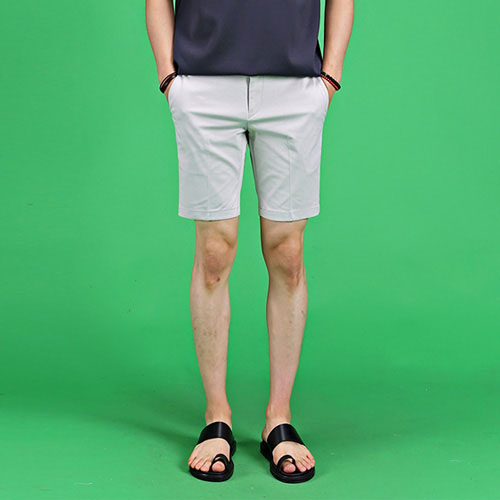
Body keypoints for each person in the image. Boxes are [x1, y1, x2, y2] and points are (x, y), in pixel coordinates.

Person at [145, 0, 354, 483]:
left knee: (288, 254)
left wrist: (330, 77)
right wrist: (168, 77)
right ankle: (215, 417)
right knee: (214, 252)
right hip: (203, 87)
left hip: (294, 88)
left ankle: (279, 417)